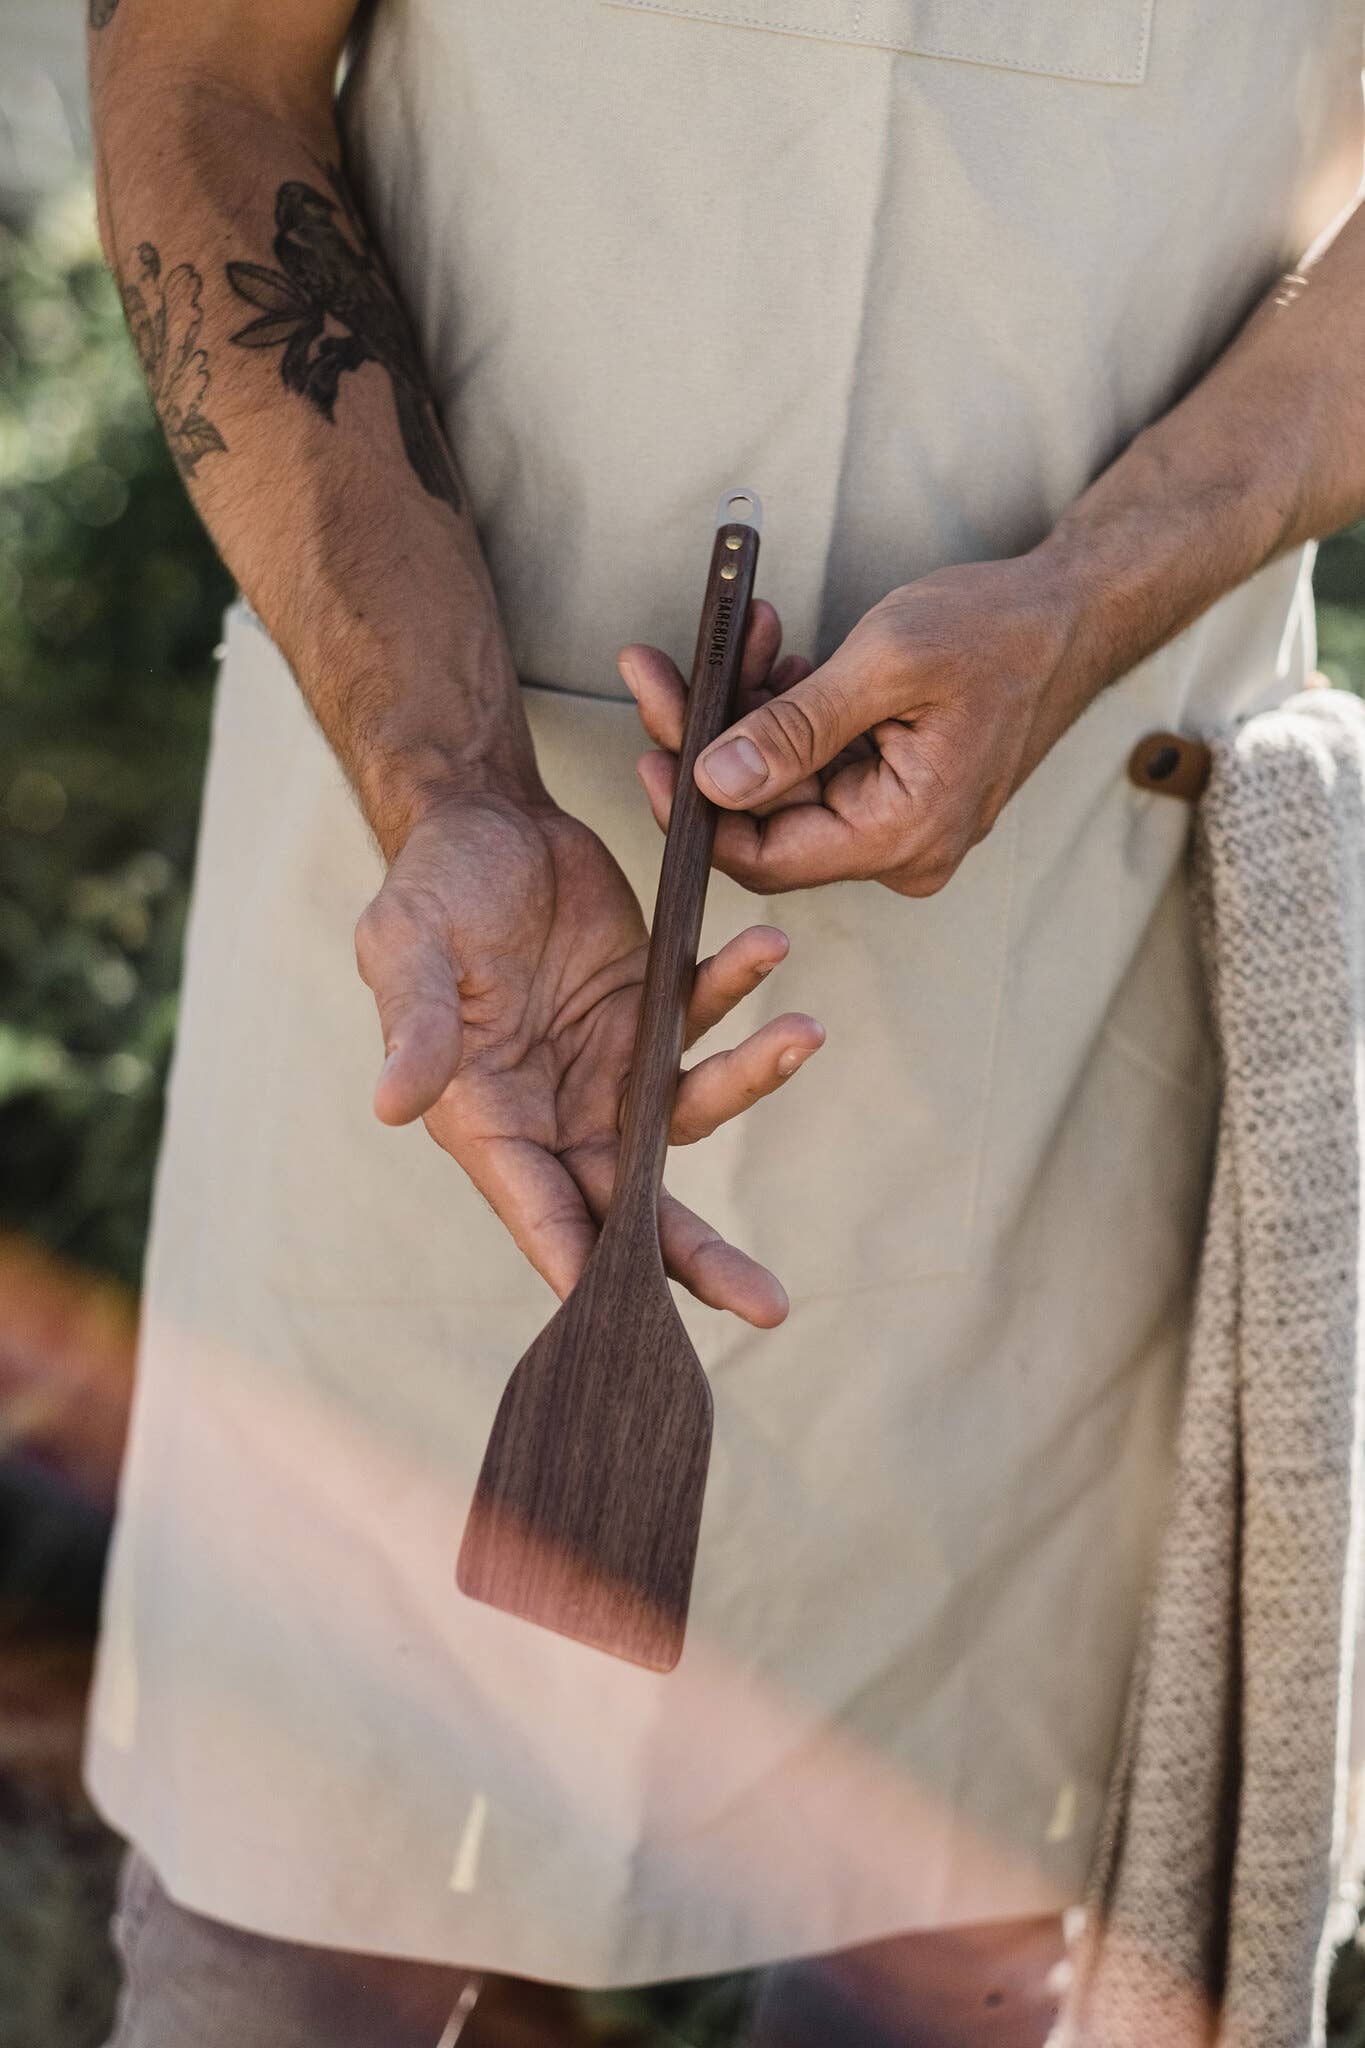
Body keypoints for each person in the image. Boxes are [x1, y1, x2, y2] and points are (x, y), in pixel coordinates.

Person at [83, 3, 1365, 2043]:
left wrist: (1094, 592)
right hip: (432, 874)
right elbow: (200, 66)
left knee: (958, 1929)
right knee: (296, 1903)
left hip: (1059, 946)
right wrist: (448, 782)